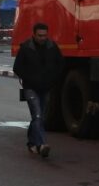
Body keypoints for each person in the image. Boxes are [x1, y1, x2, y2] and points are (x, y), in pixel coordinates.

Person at [13, 23, 63, 158]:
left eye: (45, 35)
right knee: (38, 116)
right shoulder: (26, 48)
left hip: (46, 88)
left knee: (39, 117)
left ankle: (31, 142)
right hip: (30, 88)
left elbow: (60, 64)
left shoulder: (52, 47)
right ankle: (42, 145)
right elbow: (17, 68)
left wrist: (52, 80)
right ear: (34, 35)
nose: (42, 38)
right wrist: (30, 79)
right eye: (40, 35)